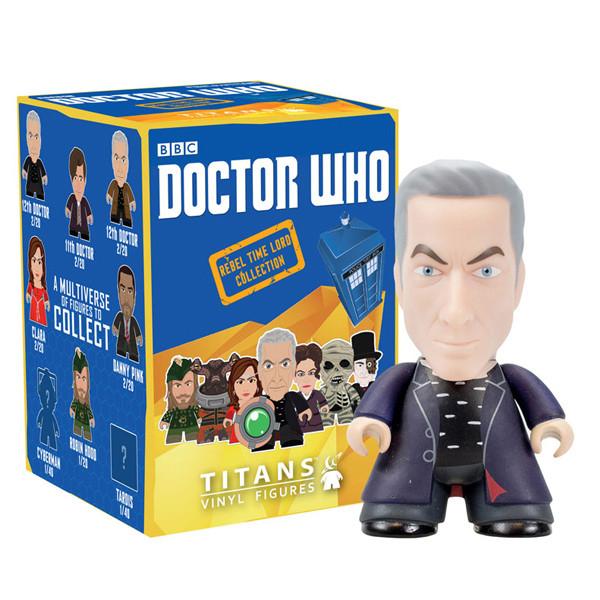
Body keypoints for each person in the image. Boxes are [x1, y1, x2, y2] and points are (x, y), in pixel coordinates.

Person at [348, 160, 574, 538]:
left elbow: (538, 404)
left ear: (518, 283)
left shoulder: (512, 377)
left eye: (486, 271)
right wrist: (370, 421)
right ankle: (405, 508)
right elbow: (378, 404)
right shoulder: (403, 377)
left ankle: (508, 510)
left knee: (514, 511)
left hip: (502, 471)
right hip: (410, 473)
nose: (456, 312)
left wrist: (548, 420)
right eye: (428, 271)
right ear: (399, 283)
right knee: (399, 504)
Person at [255, 328, 312, 450]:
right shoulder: (260, 401)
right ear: (259, 371)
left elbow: (301, 405)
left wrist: (304, 411)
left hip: (289, 428)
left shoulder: (292, 396)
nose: (277, 377)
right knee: (263, 439)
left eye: (285, 364)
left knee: (291, 435)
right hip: (265, 431)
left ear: (294, 367)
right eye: (268, 366)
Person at [159, 356, 201, 444]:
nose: (183, 391)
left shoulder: (193, 407)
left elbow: (198, 412)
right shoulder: (173, 409)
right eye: (177, 385)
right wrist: (164, 421)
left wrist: (200, 417)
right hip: (175, 427)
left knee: (194, 440)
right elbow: (169, 413)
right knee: (173, 440)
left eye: (188, 384)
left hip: (191, 426)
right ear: (170, 389)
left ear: (195, 385)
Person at [223, 357, 263, 444]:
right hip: (238, 438)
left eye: (251, 380)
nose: (246, 387)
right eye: (240, 382)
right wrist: (229, 419)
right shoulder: (235, 406)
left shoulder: (260, 404)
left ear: (258, 384)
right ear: (233, 387)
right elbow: (230, 413)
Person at [294, 343, 328, 433]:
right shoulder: (295, 397)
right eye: (301, 374)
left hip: (316, 425)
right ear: (294, 378)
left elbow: (323, 403)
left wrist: (324, 408)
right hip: (300, 427)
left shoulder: (317, 394)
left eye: (311, 373)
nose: (306, 379)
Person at [112, 265, 143, 362]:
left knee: (134, 357)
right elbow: (115, 325)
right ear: (118, 292)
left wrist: (139, 336)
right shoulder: (119, 316)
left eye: (130, 291)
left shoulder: (133, 320)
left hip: (132, 346)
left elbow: (136, 330)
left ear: (134, 296)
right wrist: (115, 327)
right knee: (120, 356)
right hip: (121, 344)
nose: (126, 299)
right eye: (122, 290)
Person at [106, 130, 136, 227]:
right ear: (111, 160)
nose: (119, 168)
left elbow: (130, 195)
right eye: (116, 158)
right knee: (114, 221)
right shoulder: (113, 184)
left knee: (127, 221)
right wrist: (109, 195)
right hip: (115, 210)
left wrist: (132, 201)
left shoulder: (126, 186)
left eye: (123, 160)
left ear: (128, 162)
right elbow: (110, 191)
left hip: (126, 210)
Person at [65, 147, 93, 240]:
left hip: (84, 228)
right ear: (71, 179)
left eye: (81, 178)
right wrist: (67, 209)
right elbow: (68, 207)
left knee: (85, 237)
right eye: (75, 178)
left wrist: (89, 216)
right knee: (72, 237)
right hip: (73, 226)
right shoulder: (72, 198)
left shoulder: (84, 201)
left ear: (85, 180)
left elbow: (88, 210)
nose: (78, 185)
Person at [22, 110, 48, 200]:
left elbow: (43, 171)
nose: (33, 144)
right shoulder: (28, 160)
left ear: (41, 140)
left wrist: (44, 176)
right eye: (30, 136)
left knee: (40, 195)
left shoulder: (39, 162)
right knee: (29, 195)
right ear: (26, 139)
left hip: (39, 185)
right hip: (30, 184)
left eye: (36, 137)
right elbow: (25, 168)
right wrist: (24, 171)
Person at [25, 236, 50, 326]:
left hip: (41, 305)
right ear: (30, 263)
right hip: (34, 303)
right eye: (34, 261)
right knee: (33, 319)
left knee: (42, 321)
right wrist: (28, 293)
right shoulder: (32, 283)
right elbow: (29, 288)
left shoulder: (42, 286)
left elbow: (45, 293)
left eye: (39, 262)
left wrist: (46, 301)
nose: (36, 267)